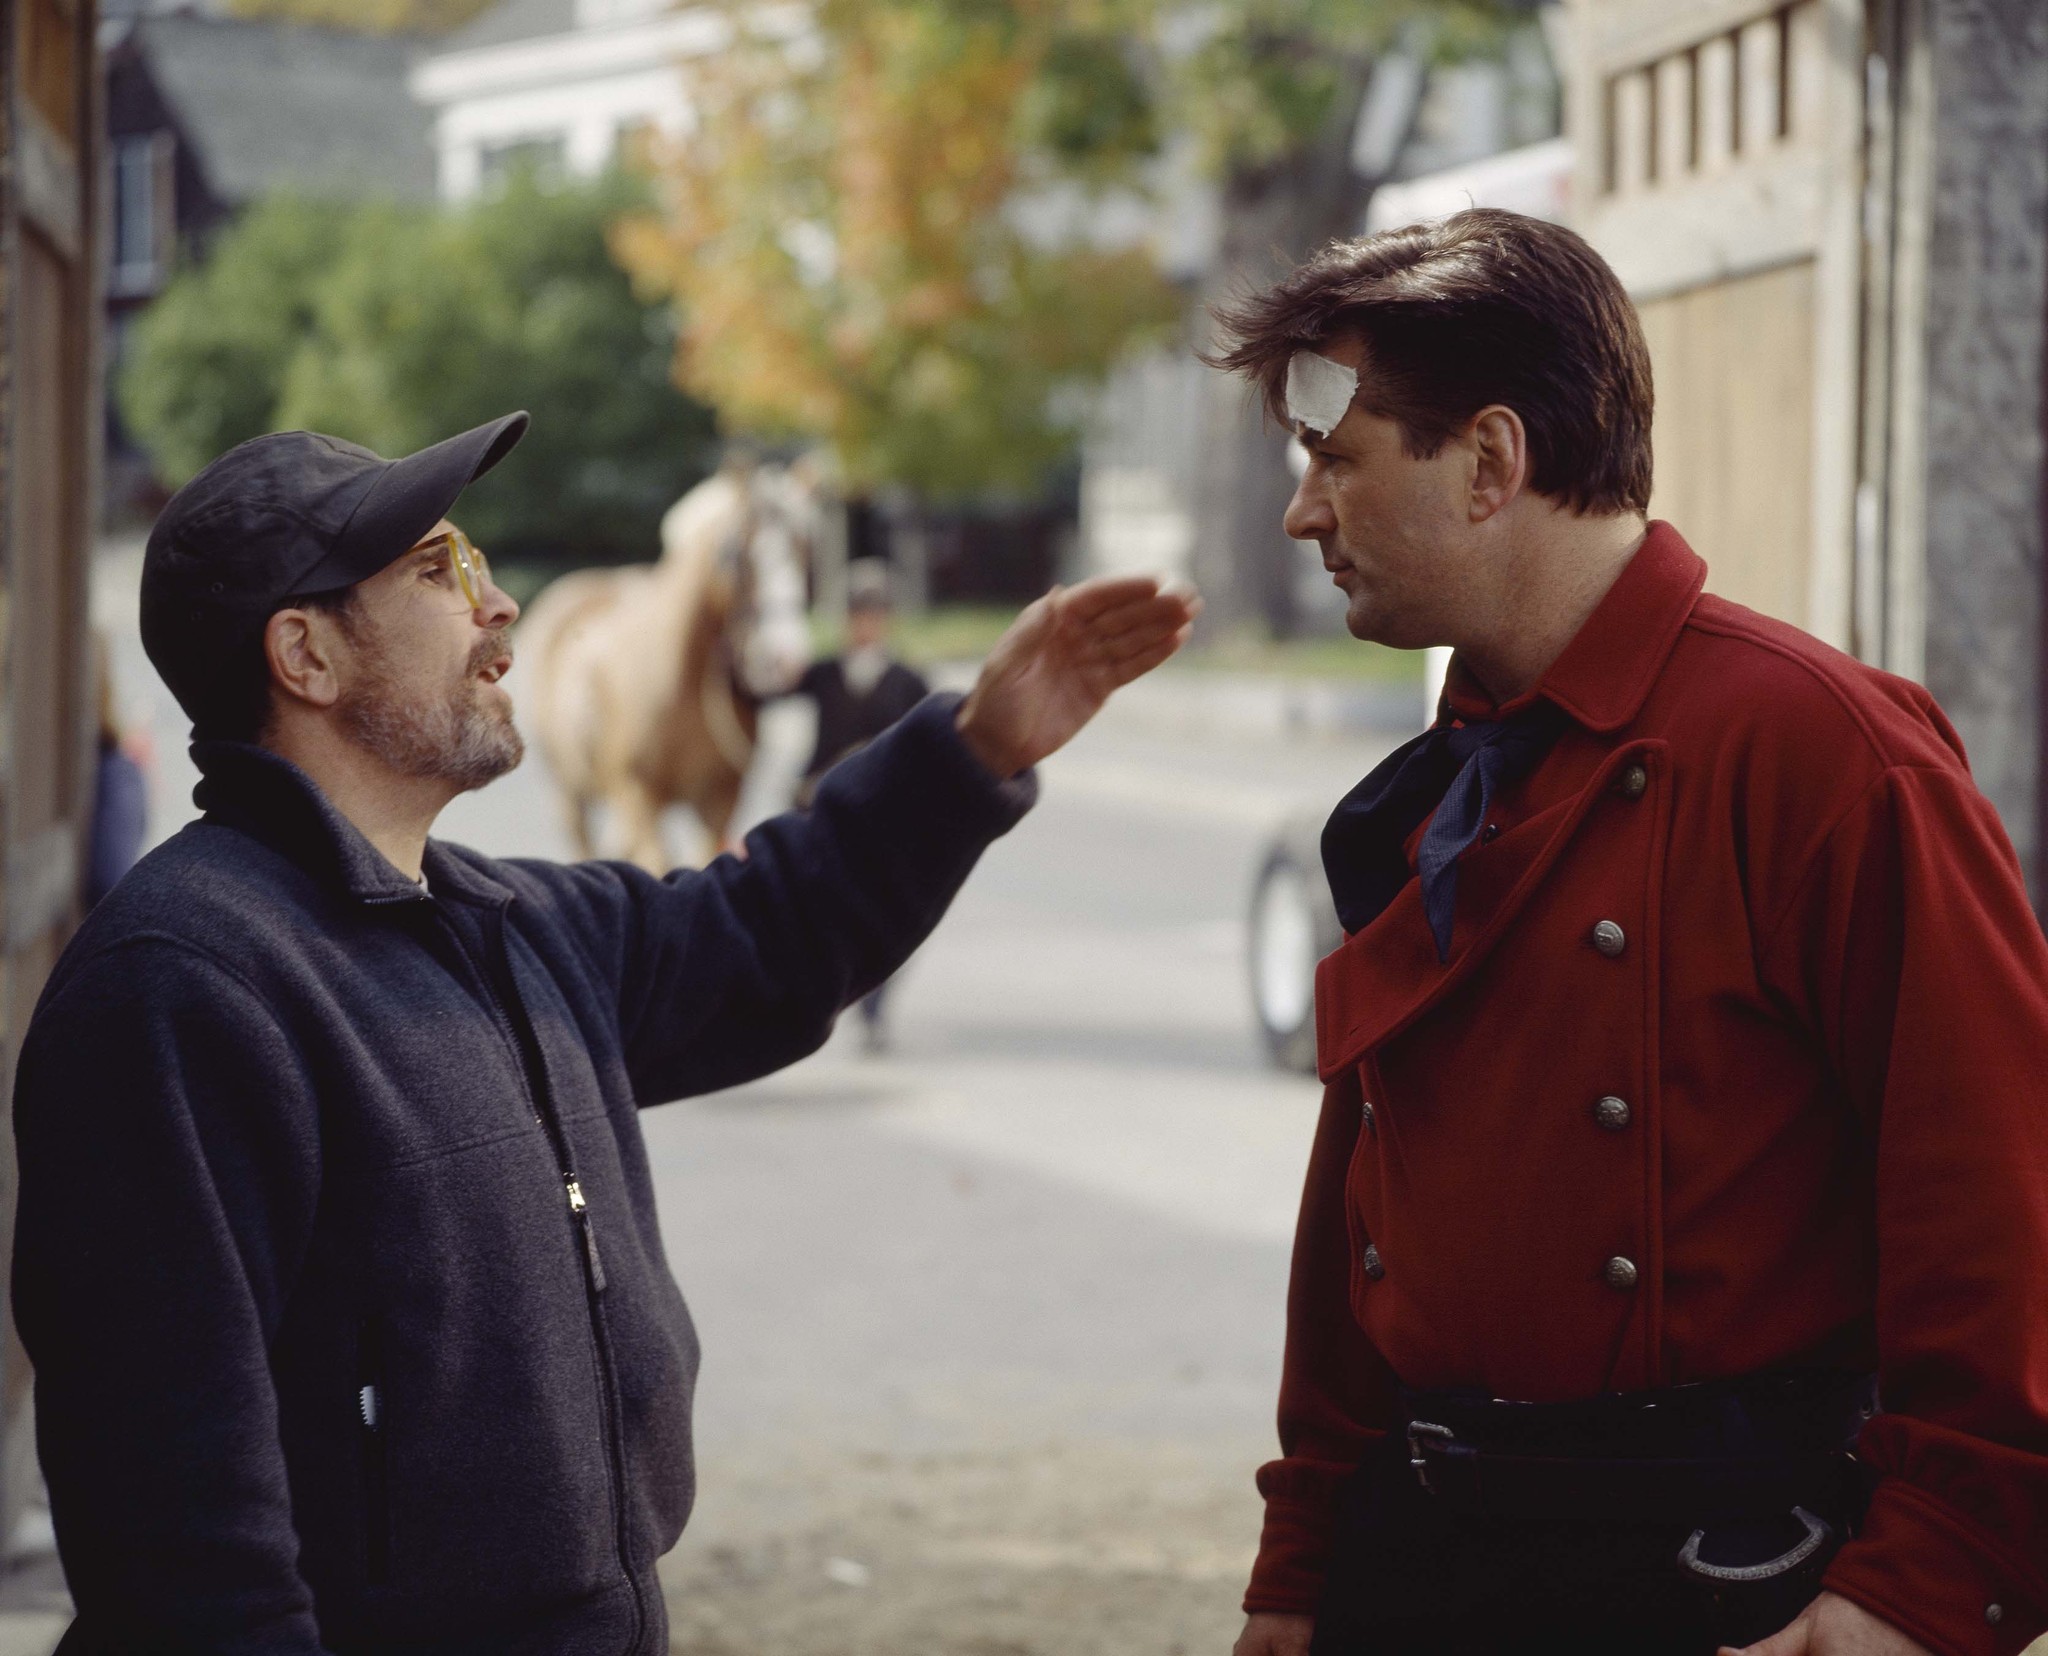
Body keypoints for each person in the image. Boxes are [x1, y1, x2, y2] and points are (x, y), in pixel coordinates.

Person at [10, 413, 1196, 1655]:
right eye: (438, 572)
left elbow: (764, 932)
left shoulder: (510, 922)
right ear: (305, 653)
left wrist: (974, 750)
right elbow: (180, 1543)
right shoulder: (183, 987)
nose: (502, 606)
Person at [1209, 210, 2048, 1656]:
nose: (1302, 513)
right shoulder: (1443, 780)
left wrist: (1919, 1587)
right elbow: (1365, 1219)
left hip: (1717, 1574)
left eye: (1336, 460)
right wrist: (1305, 1561)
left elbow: (2001, 1207)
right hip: (1422, 1560)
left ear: (1488, 463)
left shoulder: (1826, 752)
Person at [792, 557, 931, 1049]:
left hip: (883, 815)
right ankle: (826, 996)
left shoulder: (910, 680)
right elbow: (762, 691)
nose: (865, 622)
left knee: (889, 915)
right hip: (821, 810)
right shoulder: (824, 672)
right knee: (817, 914)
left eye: (874, 612)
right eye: (857, 612)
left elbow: (925, 746)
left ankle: (873, 1003)